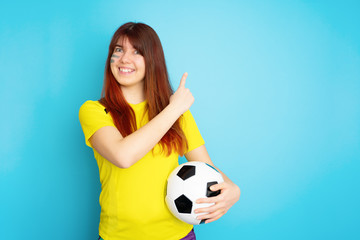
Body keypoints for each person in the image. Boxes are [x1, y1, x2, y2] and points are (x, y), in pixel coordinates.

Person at [79, 22, 240, 240]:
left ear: (152, 60)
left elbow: (207, 168)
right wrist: (174, 108)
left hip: (178, 235)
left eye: (137, 51)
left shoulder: (176, 113)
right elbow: (123, 156)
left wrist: (233, 190)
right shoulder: (95, 111)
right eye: (118, 50)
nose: (125, 58)